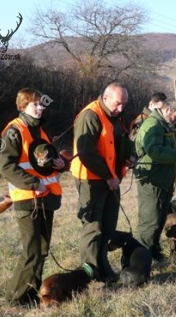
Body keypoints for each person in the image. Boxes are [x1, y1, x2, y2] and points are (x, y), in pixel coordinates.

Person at [0, 87, 66, 307]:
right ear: (22, 106)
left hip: (46, 198)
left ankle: (31, 294)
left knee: (42, 250)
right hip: (28, 199)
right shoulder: (15, 131)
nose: (40, 107)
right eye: (34, 104)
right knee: (32, 252)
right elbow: (5, 166)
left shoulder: (41, 131)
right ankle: (15, 298)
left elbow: (44, 165)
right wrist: (33, 184)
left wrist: (60, 165)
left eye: (41, 103)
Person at [70, 82, 132, 283]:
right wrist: (108, 176)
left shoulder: (116, 117)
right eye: (117, 103)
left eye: (124, 104)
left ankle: (103, 269)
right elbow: (87, 153)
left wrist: (128, 157)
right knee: (93, 227)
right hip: (92, 180)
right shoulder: (90, 116)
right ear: (105, 98)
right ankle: (89, 275)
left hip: (111, 179)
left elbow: (118, 144)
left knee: (108, 226)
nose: (121, 108)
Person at [135, 101, 176, 261]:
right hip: (152, 180)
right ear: (167, 109)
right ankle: (141, 259)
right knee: (150, 221)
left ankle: (153, 252)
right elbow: (154, 151)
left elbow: (170, 150)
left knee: (160, 220)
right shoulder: (153, 125)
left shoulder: (165, 125)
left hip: (164, 180)